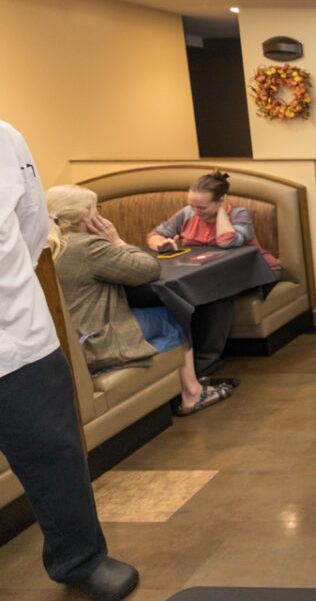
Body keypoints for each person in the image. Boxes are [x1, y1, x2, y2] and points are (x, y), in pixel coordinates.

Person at [0, 120, 139, 601]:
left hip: (17, 334)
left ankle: (80, 558)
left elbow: (33, 225)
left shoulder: (5, 138)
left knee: (54, 453)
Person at [46, 185, 232, 415]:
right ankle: (192, 392)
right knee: (173, 314)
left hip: (64, 340)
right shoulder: (86, 247)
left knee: (162, 321)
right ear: (85, 216)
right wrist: (116, 240)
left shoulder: (43, 245)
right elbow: (147, 269)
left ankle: (182, 381)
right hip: (95, 341)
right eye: (97, 210)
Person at [146, 170, 280, 377]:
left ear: (221, 200)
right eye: (192, 205)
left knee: (218, 298)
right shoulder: (187, 214)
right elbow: (155, 234)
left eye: (202, 206)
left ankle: (206, 361)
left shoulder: (239, 214)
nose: (195, 211)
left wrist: (220, 213)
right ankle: (176, 360)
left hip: (252, 272)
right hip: (204, 273)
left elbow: (228, 242)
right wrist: (161, 244)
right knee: (177, 296)